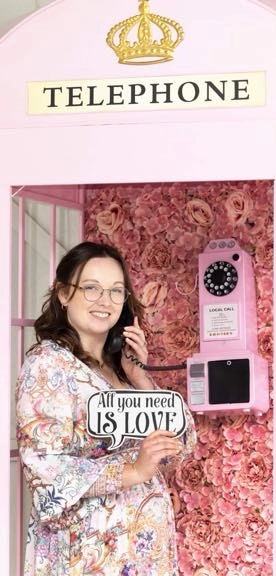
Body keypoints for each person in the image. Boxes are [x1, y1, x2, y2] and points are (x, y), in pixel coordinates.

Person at [16, 241, 196, 575]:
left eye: (116, 291)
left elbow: (180, 446)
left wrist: (139, 376)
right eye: (91, 288)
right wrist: (133, 471)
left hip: (144, 553)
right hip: (88, 553)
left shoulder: (121, 370)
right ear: (63, 294)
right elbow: (44, 468)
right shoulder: (48, 366)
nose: (105, 301)